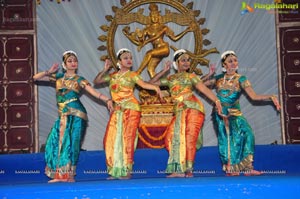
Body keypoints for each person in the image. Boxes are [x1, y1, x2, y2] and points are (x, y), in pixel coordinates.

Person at [33, 50, 113, 183]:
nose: (73, 63)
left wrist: (107, 100)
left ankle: (68, 175)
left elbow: (95, 93)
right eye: (69, 61)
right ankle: (63, 174)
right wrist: (48, 71)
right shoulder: (58, 78)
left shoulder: (79, 80)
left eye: (75, 61)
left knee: (73, 144)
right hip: (63, 115)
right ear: (64, 64)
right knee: (54, 142)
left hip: (77, 115)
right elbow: (36, 78)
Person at [204, 50, 281, 176]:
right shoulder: (218, 79)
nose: (233, 63)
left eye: (235, 60)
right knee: (227, 139)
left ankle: (247, 167)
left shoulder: (242, 79)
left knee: (248, 134)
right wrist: (209, 74)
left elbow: (254, 96)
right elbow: (199, 84)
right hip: (220, 112)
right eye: (230, 61)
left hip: (235, 112)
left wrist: (271, 97)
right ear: (224, 65)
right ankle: (231, 167)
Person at [149, 49, 222, 177]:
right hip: (179, 111)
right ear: (176, 63)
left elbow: (204, 89)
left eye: (188, 60)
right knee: (171, 138)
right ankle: (178, 168)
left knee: (189, 138)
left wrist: (216, 101)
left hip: (193, 108)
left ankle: (188, 170)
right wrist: (164, 71)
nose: (187, 62)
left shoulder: (191, 77)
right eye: (183, 60)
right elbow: (150, 84)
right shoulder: (170, 78)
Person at [93, 48, 163, 179]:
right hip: (117, 110)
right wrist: (105, 69)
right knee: (112, 139)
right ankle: (116, 170)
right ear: (119, 61)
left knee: (128, 139)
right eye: (125, 58)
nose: (129, 60)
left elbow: (143, 84)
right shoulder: (113, 76)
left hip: (131, 109)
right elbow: (96, 81)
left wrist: (155, 87)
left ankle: (126, 170)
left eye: (130, 58)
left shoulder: (133, 75)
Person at [122, 3, 195, 78]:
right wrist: (128, 35)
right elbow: (139, 43)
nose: (154, 17)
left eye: (156, 15)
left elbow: (174, 38)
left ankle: (138, 72)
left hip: (164, 48)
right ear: (150, 17)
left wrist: (186, 31)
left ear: (159, 16)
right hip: (156, 51)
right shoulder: (147, 29)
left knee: (149, 53)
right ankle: (155, 86)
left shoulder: (163, 27)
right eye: (152, 16)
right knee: (150, 68)